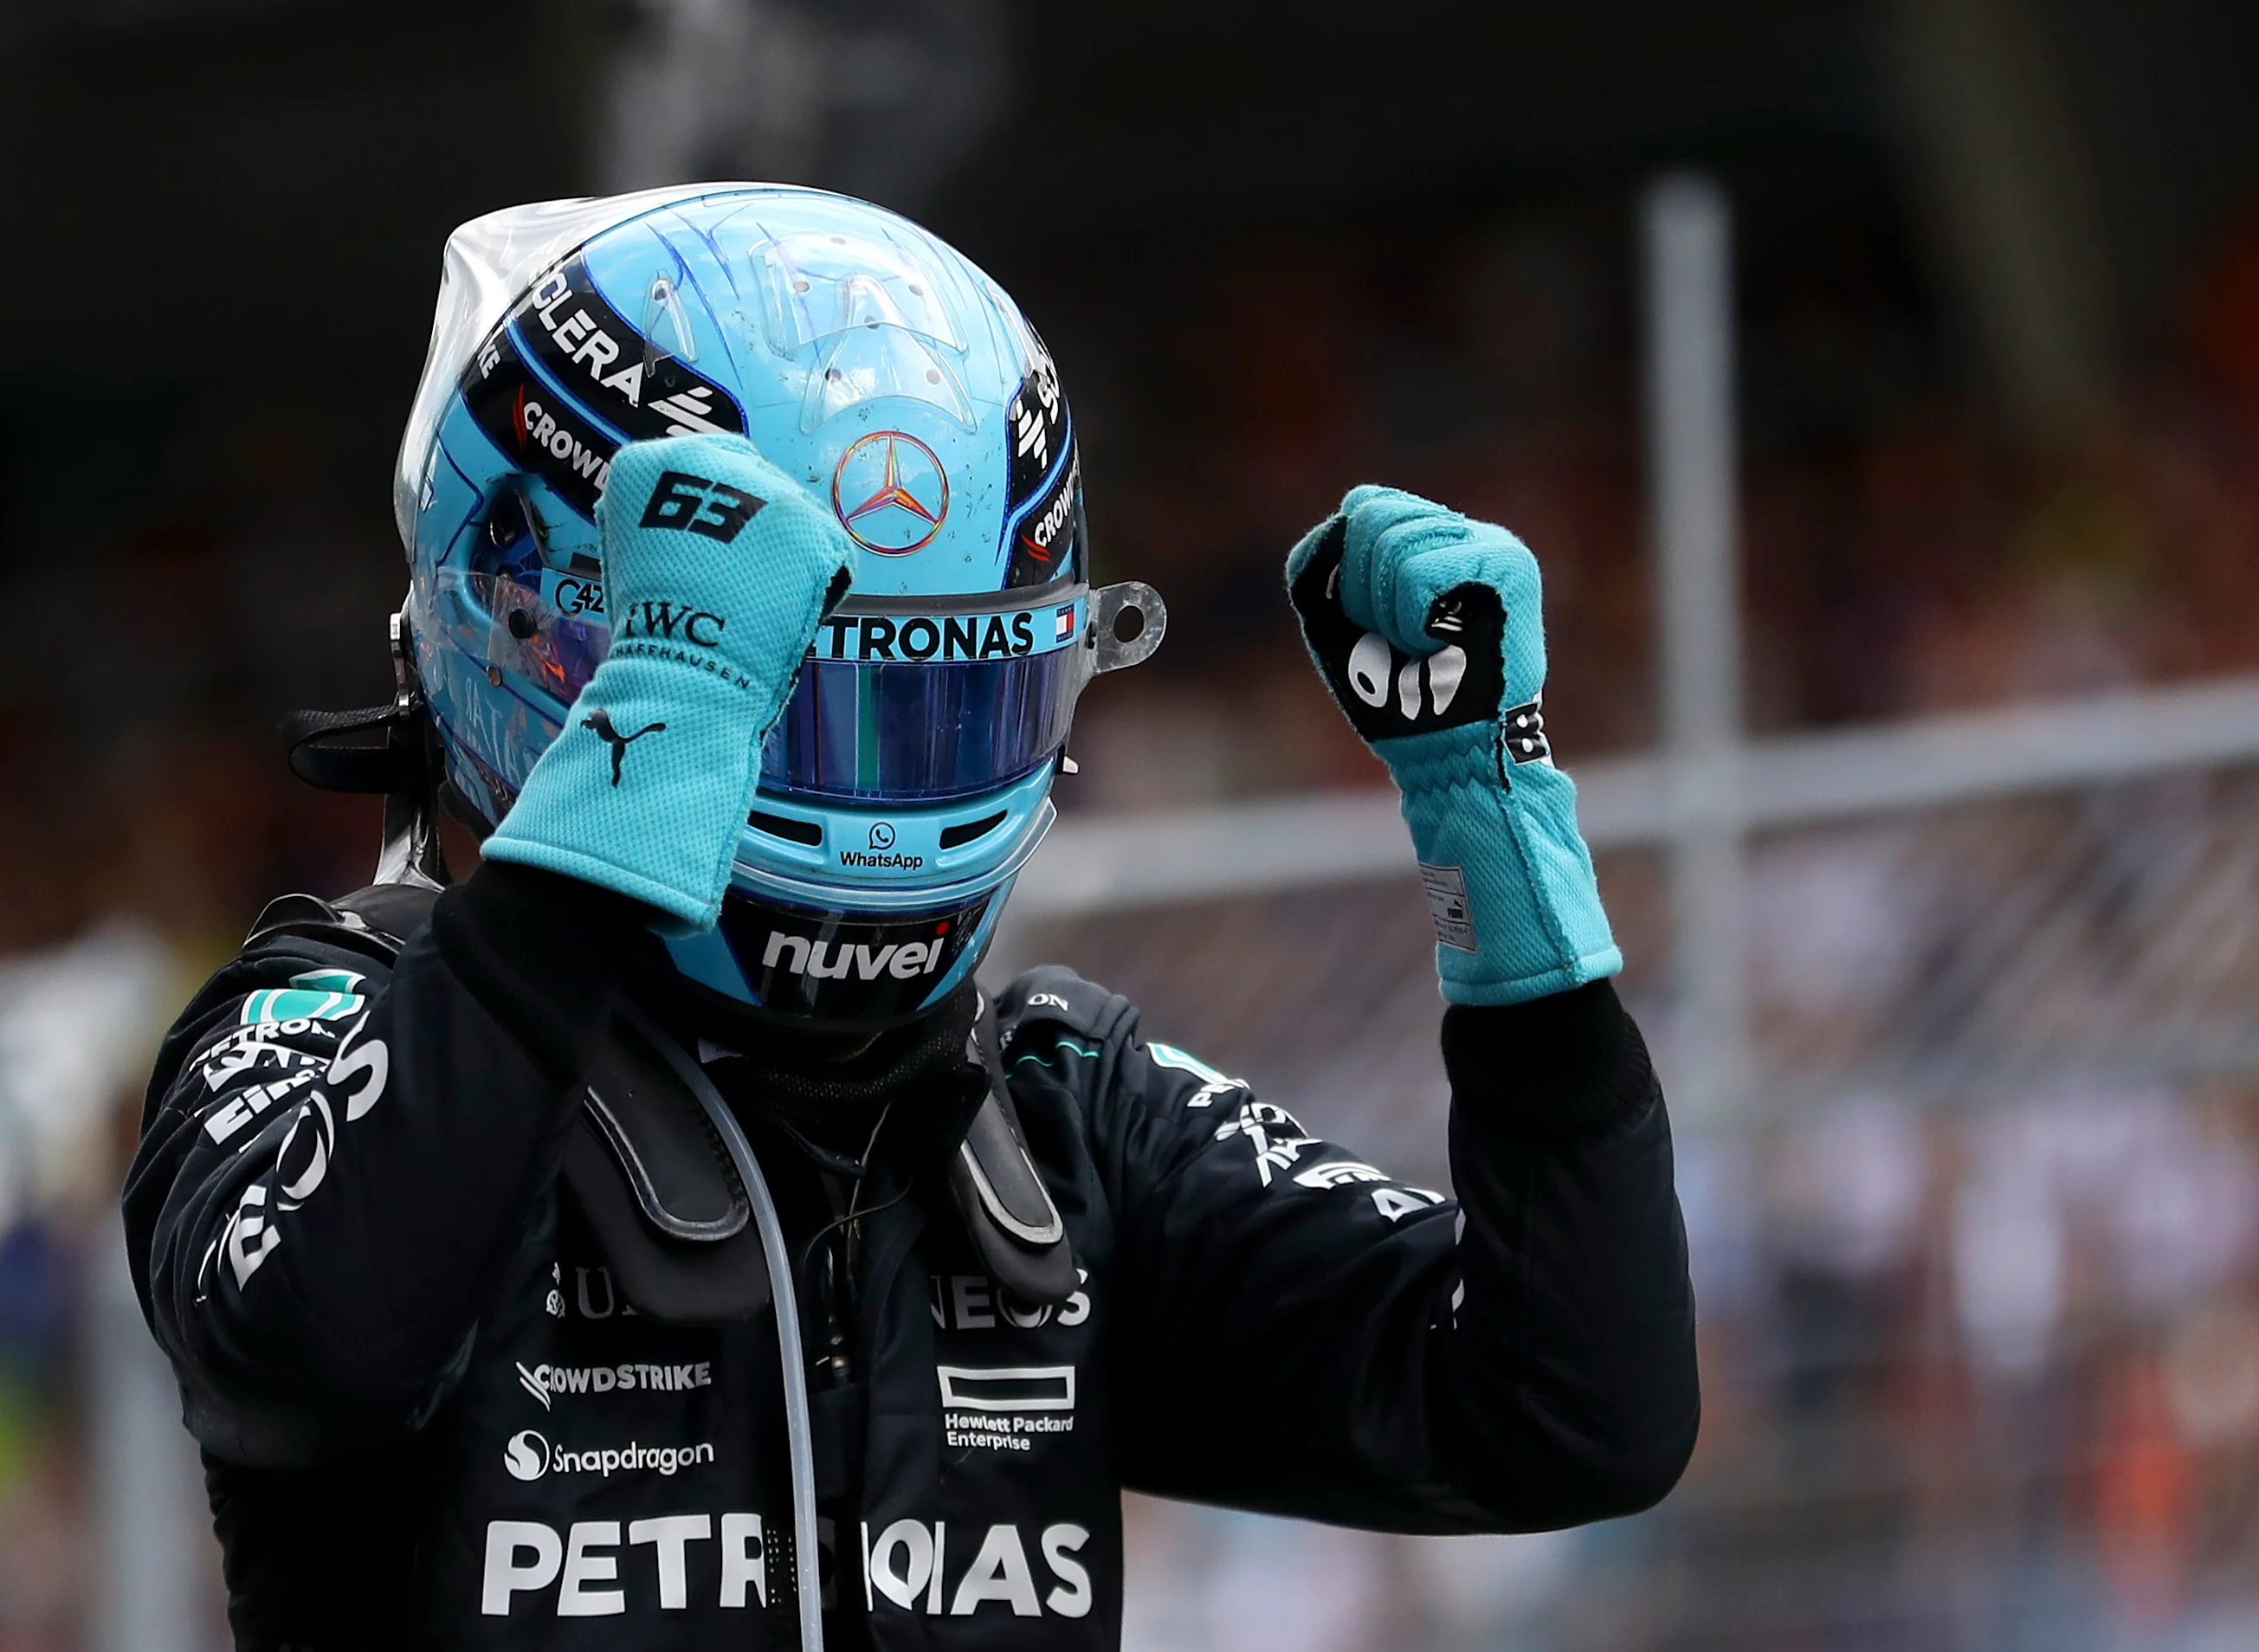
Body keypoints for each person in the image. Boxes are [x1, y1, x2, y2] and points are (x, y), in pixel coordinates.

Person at [124, 184, 1697, 1652]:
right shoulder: (323, 1025)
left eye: (951, 701)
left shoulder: (1059, 1123)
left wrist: (1498, 838)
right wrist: (633, 782)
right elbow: (310, 1352)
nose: (887, 805)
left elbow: (1569, 1412)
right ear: (556, 657)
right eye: (796, 702)